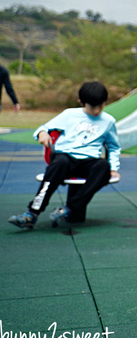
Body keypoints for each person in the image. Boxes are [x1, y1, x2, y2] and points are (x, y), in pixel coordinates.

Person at [8, 81, 120, 229]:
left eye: (100, 106)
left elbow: (113, 146)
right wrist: (42, 133)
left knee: (103, 167)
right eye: (93, 107)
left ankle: (68, 209)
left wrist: (114, 168)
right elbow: (44, 128)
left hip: (89, 162)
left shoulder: (108, 121)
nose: (97, 111)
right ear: (81, 102)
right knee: (59, 163)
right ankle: (32, 213)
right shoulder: (69, 115)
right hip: (65, 158)